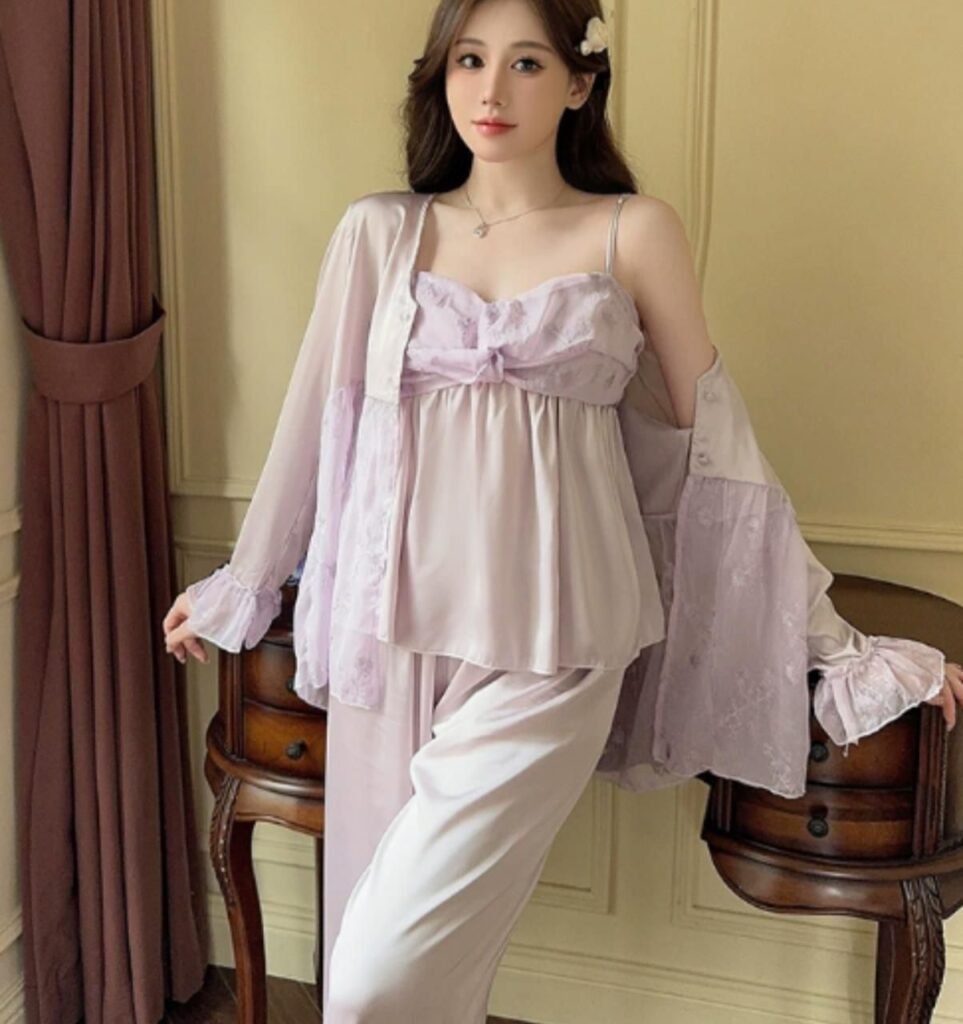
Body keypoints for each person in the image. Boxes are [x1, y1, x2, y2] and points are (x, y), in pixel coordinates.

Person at [162, 1, 963, 1020]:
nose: (491, 91)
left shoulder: (632, 231)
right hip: (391, 637)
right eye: (469, 60)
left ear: (580, 81)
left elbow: (718, 451)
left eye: (527, 63)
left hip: (557, 649)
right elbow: (315, 424)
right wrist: (243, 582)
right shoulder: (379, 232)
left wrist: (836, 647)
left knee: (372, 980)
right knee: (396, 960)